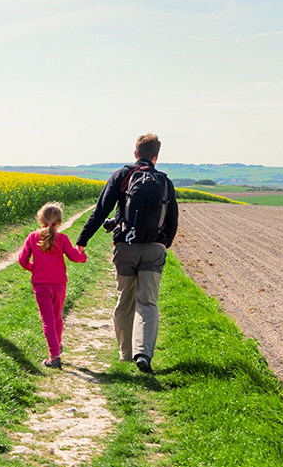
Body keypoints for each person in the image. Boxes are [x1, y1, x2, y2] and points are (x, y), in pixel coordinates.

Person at [75, 133, 179, 374]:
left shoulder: (123, 175)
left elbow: (101, 209)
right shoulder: (164, 182)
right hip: (154, 249)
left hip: (125, 248)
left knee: (125, 300)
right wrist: (165, 244)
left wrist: (83, 239)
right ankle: (143, 353)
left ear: (135, 153)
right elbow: (173, 219)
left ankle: (125, 354)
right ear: (156, 156)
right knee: (148, 302)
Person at [18, 201, 88, 367]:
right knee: (57, 317)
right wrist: (83, 255)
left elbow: (22, 260)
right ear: (60, 222)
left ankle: (54, 356)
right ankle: (57, 345)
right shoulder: (62, 239)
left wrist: (34, 269)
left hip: (41, 285)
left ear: (40, 220)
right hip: (59, 285)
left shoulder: (32, 237)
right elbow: (75, 257)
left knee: (48, 320)